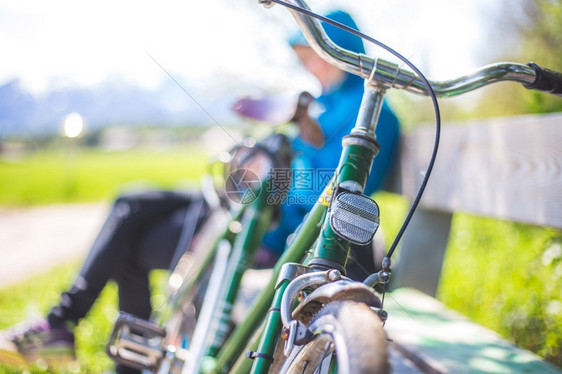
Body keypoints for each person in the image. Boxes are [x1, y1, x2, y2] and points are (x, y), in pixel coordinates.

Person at [5, 9, 400, 374]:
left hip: (270, 228)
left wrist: (273, 174)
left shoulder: (368, 110)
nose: (310, 63)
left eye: (316, 53)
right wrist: (258, 169)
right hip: (245, 203)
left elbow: (341, 188)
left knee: (132, 239)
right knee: (130, 202)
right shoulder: (319, 106)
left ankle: (84, 341)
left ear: (345, 51)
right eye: (306, 55)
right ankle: (64, 325)